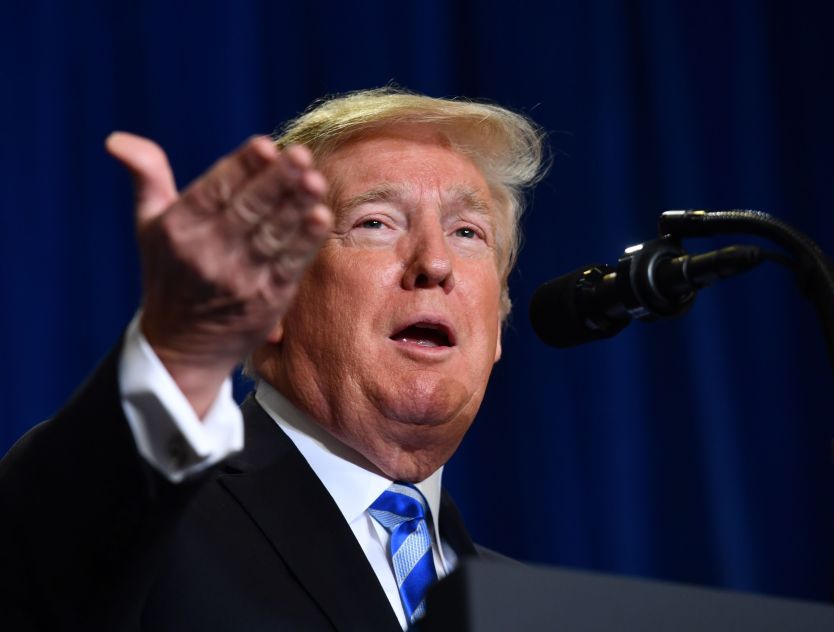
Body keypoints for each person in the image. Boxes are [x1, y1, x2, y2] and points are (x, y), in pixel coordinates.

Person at [0, 87, 545, 630]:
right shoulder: (150, 524)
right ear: (272, 297)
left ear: (495, 325)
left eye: (467, 233)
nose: (434, 261)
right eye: (376, 223)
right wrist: (181, 357)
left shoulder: (529, 612)